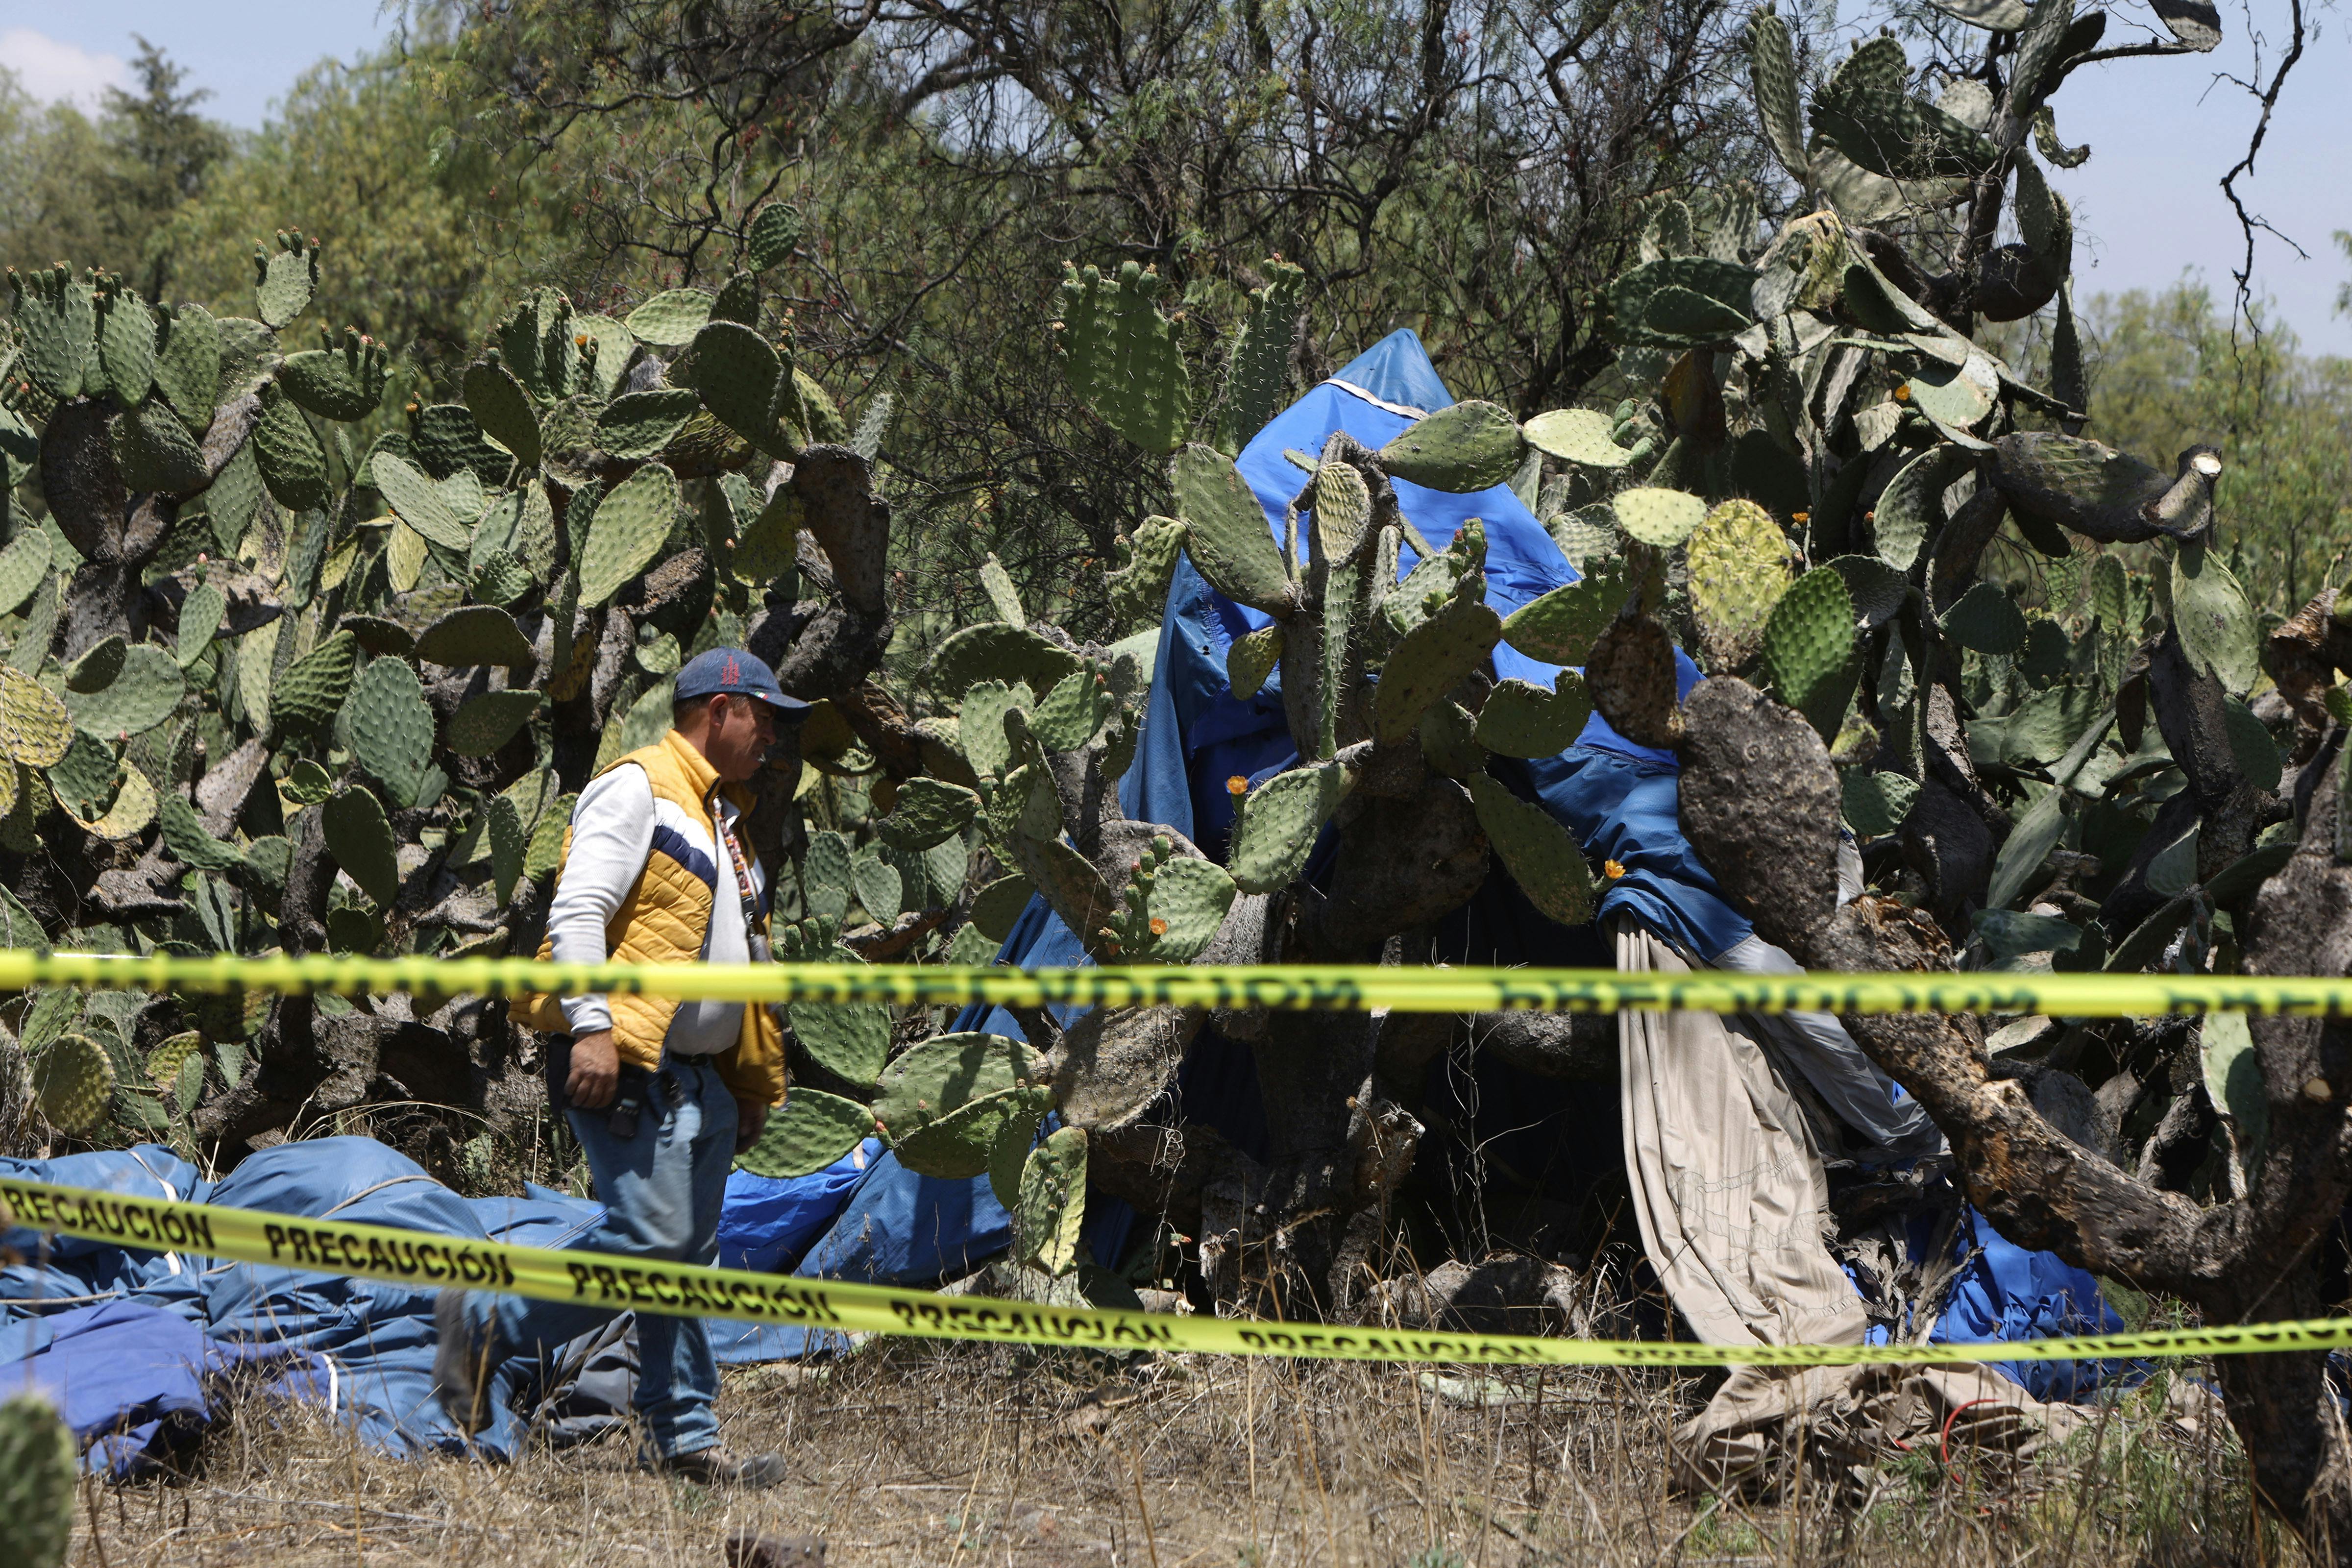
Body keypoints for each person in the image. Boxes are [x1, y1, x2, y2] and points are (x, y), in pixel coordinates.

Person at [434, 647, 807, 1485]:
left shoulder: (722, 817)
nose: (774, 735)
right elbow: (578, 908)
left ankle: (685, 1444)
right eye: (765, 715)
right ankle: (481, 1332)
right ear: (720, 710)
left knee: (688, 1262)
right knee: (652, 1244)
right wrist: (595, 1029)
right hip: (632, 1067)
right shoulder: (638, 787)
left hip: (700, 1083)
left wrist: (745, 1084)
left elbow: (742, 958)